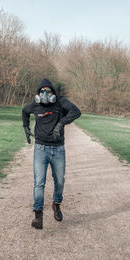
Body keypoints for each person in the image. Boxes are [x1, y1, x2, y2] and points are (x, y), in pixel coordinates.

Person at [22, 78, 81, 229]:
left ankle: (56, 203)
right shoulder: (34, 105)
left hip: (58, 149)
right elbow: (25, 111)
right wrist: (26, 127)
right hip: (40, 148)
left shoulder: (60, 102)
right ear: (38, 93)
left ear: (53, 92)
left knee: (59, 181)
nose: (45, 94)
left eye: (48, 91)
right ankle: (38, 215)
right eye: (42, 91)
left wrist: (62, 123)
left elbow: (76, 111)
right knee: (39, 182)